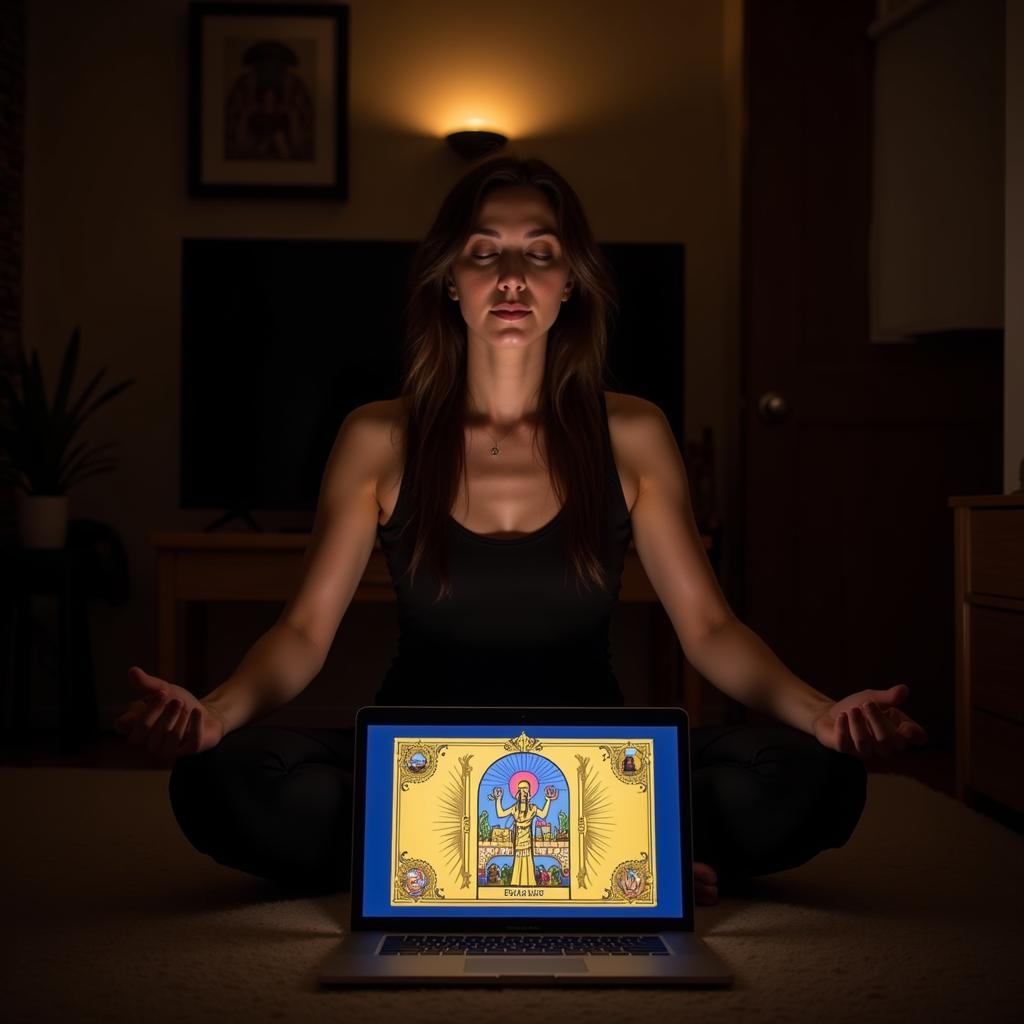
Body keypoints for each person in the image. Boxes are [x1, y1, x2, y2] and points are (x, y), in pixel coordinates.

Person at [114, 156, 928, 907]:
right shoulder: (378, 438)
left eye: (539, 253)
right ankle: (615, 865)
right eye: (483, 252)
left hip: (599, 775)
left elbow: (710, 630)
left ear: (570, 281)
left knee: (816, 775)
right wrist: (215, 712)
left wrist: (822, 712)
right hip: (418, 769)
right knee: (217, 780)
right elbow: (302, 631)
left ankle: (439, 862)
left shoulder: (632, 433)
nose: (511, 276)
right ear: (448, 279)